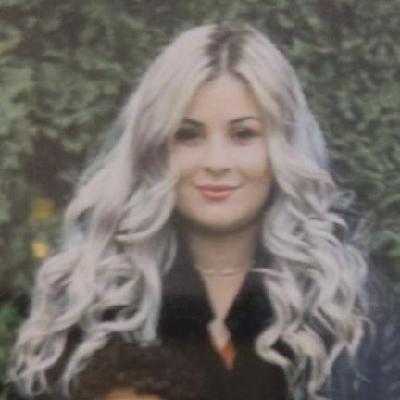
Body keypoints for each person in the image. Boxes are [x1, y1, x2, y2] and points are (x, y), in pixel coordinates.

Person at [7, 24, 400, 400]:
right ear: (153, 147)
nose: (216, 162)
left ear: (283, 147)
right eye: (188, 135)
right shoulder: (84, 299)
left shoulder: (349, 306)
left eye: (243, 134)